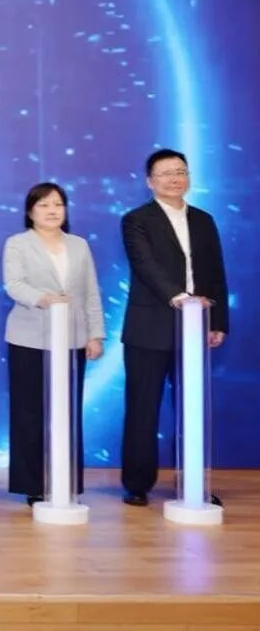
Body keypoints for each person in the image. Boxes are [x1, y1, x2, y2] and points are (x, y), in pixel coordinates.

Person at [120, 149, 229, 507]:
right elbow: (145, 264)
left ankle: (193, 482)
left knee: (192, 408)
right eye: (166, 173)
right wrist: (180, 297)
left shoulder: (204, 220)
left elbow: (215, 271)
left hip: (196, 326)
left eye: (180, 171)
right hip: (149, 327)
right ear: (150, 181)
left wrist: (218, 320)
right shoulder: (136, 220)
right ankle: (137, 484)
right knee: (143, 407)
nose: (175, 179)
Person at [2, 183, 104, 505]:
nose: (52, 211)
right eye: (44, 205)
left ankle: (66, 481)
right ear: (30, 211)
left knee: (67, 412)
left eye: (58, 204)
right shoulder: (17, 243)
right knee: (29, 413)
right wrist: (43, 298)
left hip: (71, 339)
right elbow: (14, 284)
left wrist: (95, 334)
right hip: (28, 338)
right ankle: (33, 485)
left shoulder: (79, 245)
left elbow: (90, 291)